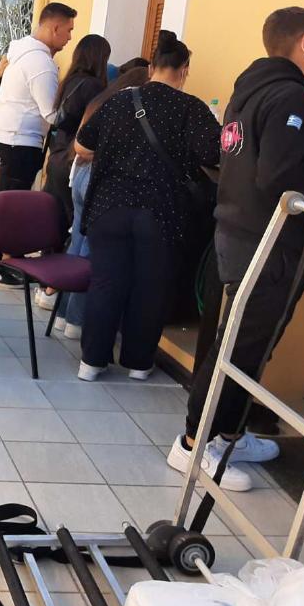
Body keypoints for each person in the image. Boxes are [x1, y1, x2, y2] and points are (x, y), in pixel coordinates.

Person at [168, 7, 304, 491]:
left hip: (239, 233)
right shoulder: (289, 96)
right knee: (238, 348)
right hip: (262, 243)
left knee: (249, 345)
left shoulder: (251, 88)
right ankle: (192, 444)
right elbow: (280, 178)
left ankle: (228, 433)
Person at [75, 32, 220, 383]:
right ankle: (139, 364)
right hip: (161, 212)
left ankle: (91, 363)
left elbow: (82, 144)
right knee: (151, 287)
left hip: (109, 206)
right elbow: (213, 154)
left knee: (106, 282)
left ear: (152, 67)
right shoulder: (192, 108)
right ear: (184, 70)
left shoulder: (119, 101)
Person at [54, 64, 150, 341]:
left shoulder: (103, 100)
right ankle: (77, 321)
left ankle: (62, 315)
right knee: (92, 254)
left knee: (76, 245)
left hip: (79, 174)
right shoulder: (132, 107)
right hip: (98, 178)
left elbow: (81, 142)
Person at [0, 2, 76, 284]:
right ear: (54, 28)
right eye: (68, 30)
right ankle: (0, 265)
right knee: (11, 206)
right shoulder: (41, 64)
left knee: (6, 201)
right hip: (19, 141)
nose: (70, 37)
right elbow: (51, 113)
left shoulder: (18, 51)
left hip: (6, 136)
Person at [42, 34, 112, 232]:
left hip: (57, 156)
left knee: (52, 224)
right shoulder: (94, 86)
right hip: (73, 160)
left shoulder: (69, 81)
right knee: (72, 226)